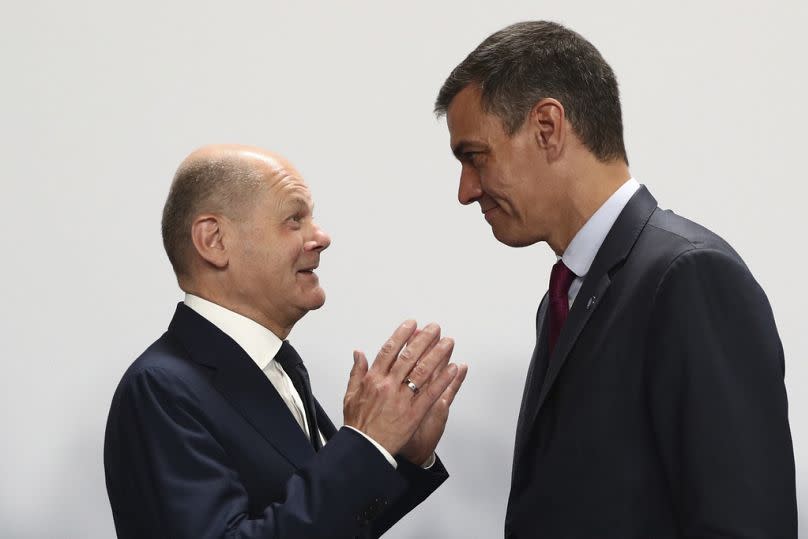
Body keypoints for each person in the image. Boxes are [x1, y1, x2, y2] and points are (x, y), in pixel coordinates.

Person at [434, 21, 796, 538]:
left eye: (475, 157)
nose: (466, 191)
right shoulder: (565, 299)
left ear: (547, 127)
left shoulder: (688, 278)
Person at [103, 144, 468, 538]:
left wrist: (398, 455)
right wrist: (367, 444)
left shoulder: (277, 367)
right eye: (294, 219)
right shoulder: (161, 388)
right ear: (214, 240)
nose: (322, 237)